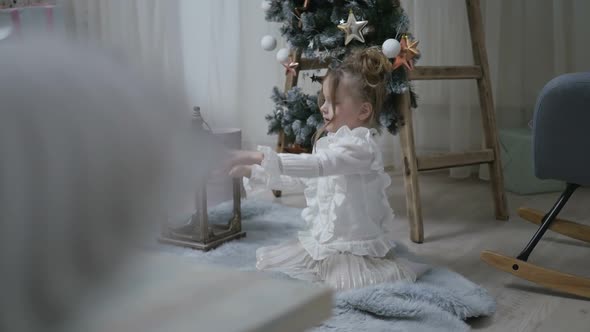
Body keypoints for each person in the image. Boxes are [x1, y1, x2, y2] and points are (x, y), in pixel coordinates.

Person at [228, 47, 429, 290]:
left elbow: (320, 165)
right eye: (323, 100)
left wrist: (258, 156)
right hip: (327, 242)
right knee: (278, 262)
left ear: (363, 111)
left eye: (333, 103)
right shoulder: (330, 143)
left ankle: (390, 270)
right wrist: (252, 171)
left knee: (342, 284)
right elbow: (304, 181)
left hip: (352, 244)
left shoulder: (361, 148)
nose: (323, 108)